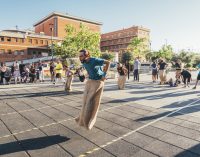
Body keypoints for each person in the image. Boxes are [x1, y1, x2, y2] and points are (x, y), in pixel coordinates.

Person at [75, 49, 110, 130]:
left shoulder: (94, 60)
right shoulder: (83, 62)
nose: (79, 57)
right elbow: (89, 69)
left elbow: (108, 62)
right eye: (79, 56)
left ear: (87, 56)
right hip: (90, 81)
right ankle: (81, 119)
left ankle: (90, 122)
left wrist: (104, 74)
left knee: (91, 102)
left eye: (81, 56)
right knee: (84, 101)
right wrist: (82, 74)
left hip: (98, 81)